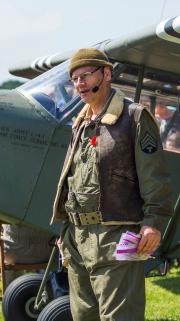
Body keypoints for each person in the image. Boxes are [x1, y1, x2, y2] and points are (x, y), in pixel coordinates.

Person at [51, 48, 172, 321]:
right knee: (83, 317)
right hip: (77, 239)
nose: (80, 84)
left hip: (116, 237)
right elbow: (74, 180)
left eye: (85, 75)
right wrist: (67, 230)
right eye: (75, 79)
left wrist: (152, 222)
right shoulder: (80, 123)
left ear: (106, 74)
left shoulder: (135, 117)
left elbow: (155, 178)